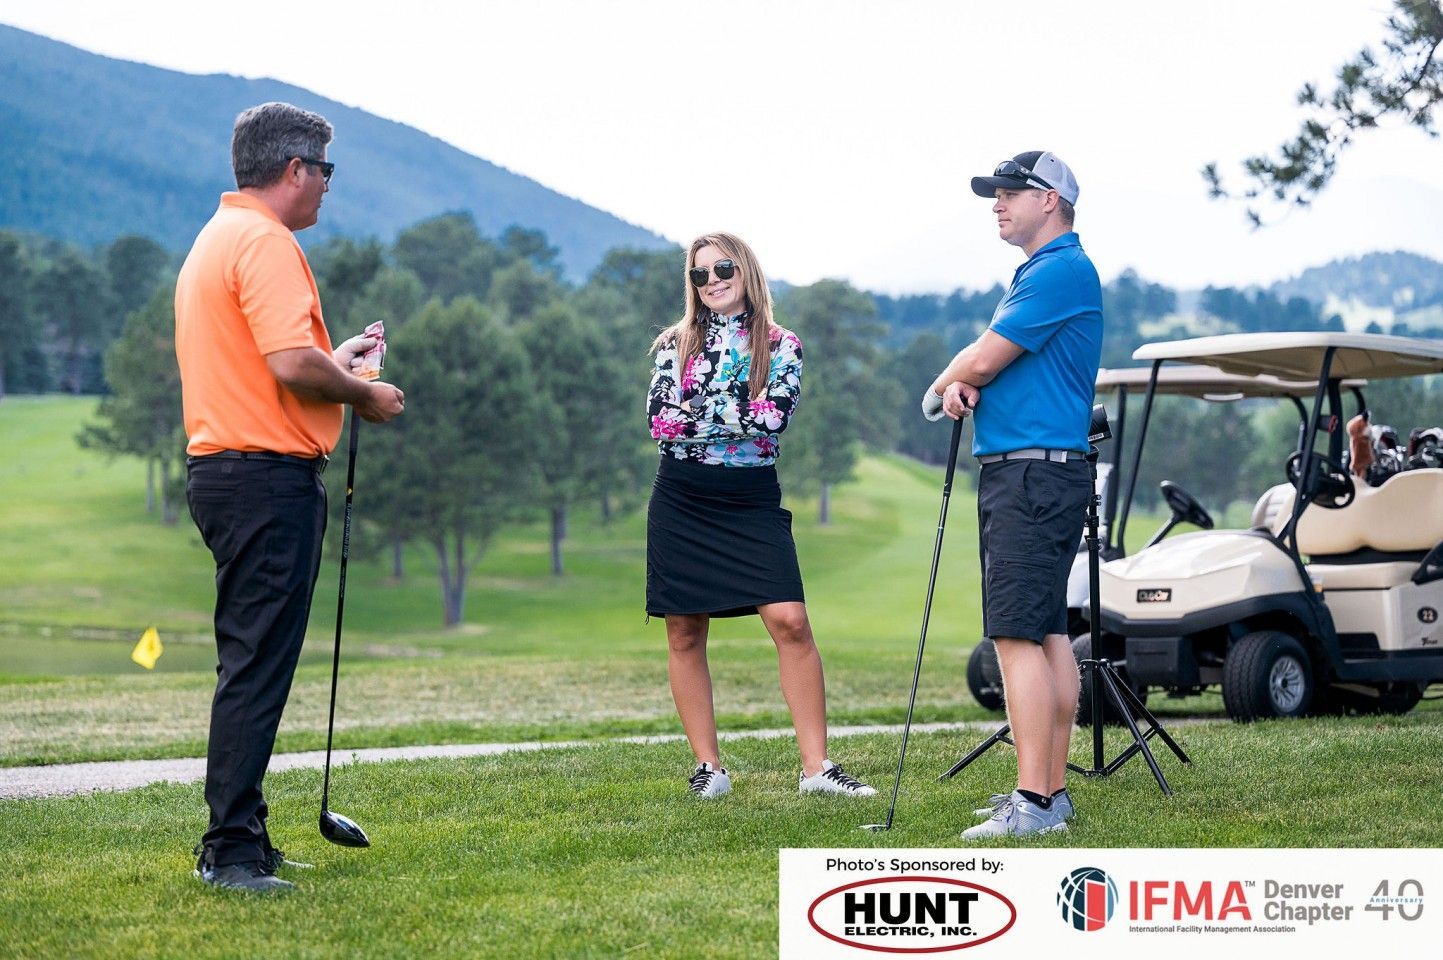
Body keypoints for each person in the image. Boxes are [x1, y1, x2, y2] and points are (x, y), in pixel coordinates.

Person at [175, 101, 405, 892]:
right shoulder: (267, 241)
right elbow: (288, 365)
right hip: (264, 478)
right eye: (325, 171)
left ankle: (245, 836)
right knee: (256, 666)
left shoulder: (220, 235)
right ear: (295, 169)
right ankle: (231, 852)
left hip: (227, 472)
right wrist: (362, 393)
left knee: (253, 659)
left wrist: (333, 360)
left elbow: (277, 361)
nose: (328, 186)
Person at [646, 232, 875, 800]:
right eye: (699, 274)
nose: (712, 280)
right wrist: (736, 411)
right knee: (683, 628)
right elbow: (661, 423)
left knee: (790, 620)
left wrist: (698, 409)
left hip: (750, 499)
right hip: (682, 497)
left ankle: (817, 770)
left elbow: (772, 420)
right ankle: (709, 768)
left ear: (745, 270)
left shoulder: (781, 344)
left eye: (722, 268)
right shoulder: (673, 344)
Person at [922, 151, 1102, 838]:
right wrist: (969, 384)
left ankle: (1033, 802)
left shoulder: (1057, 270)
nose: (997, 203)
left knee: (1014, 634)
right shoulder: (1046, 271)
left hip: (1029, 476)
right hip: (1039, 472)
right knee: (1047, 631)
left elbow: (983, 356)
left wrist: (944, 387)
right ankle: (1049, 795)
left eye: (1010, 192)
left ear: (1049, 199)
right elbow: (997, 365)